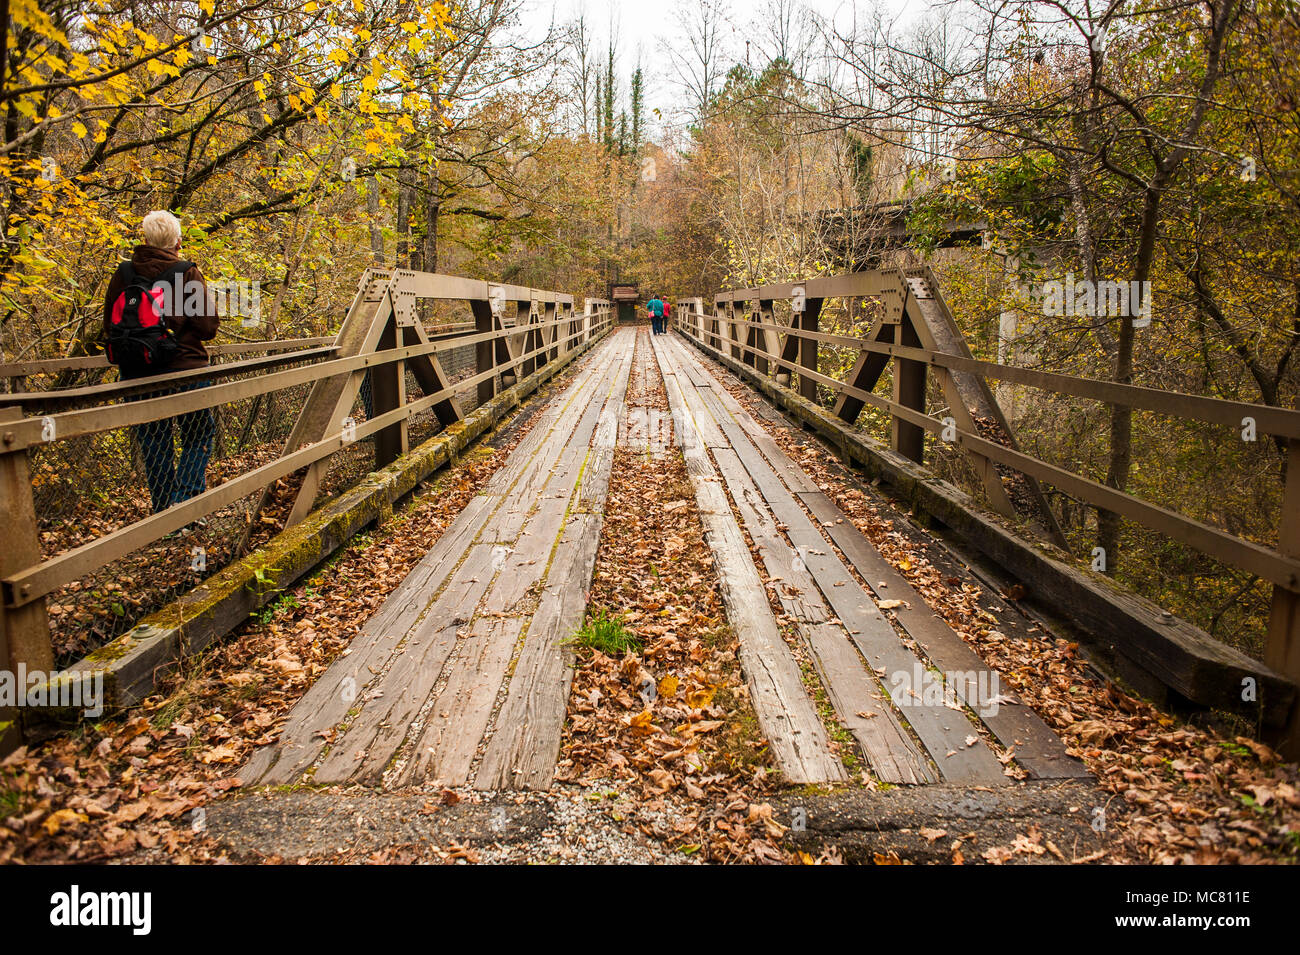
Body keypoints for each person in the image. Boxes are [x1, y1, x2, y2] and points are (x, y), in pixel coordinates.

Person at [102, 210, 220, 517]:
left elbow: (110, 327)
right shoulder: (186, 272)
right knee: (197, 434)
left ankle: (165, 511)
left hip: (137, 373)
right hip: (184, 371)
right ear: (178, 240)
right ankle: (187, 503)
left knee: (154, 441)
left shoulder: (125, 274)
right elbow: (208, 327)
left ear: (145, 239)